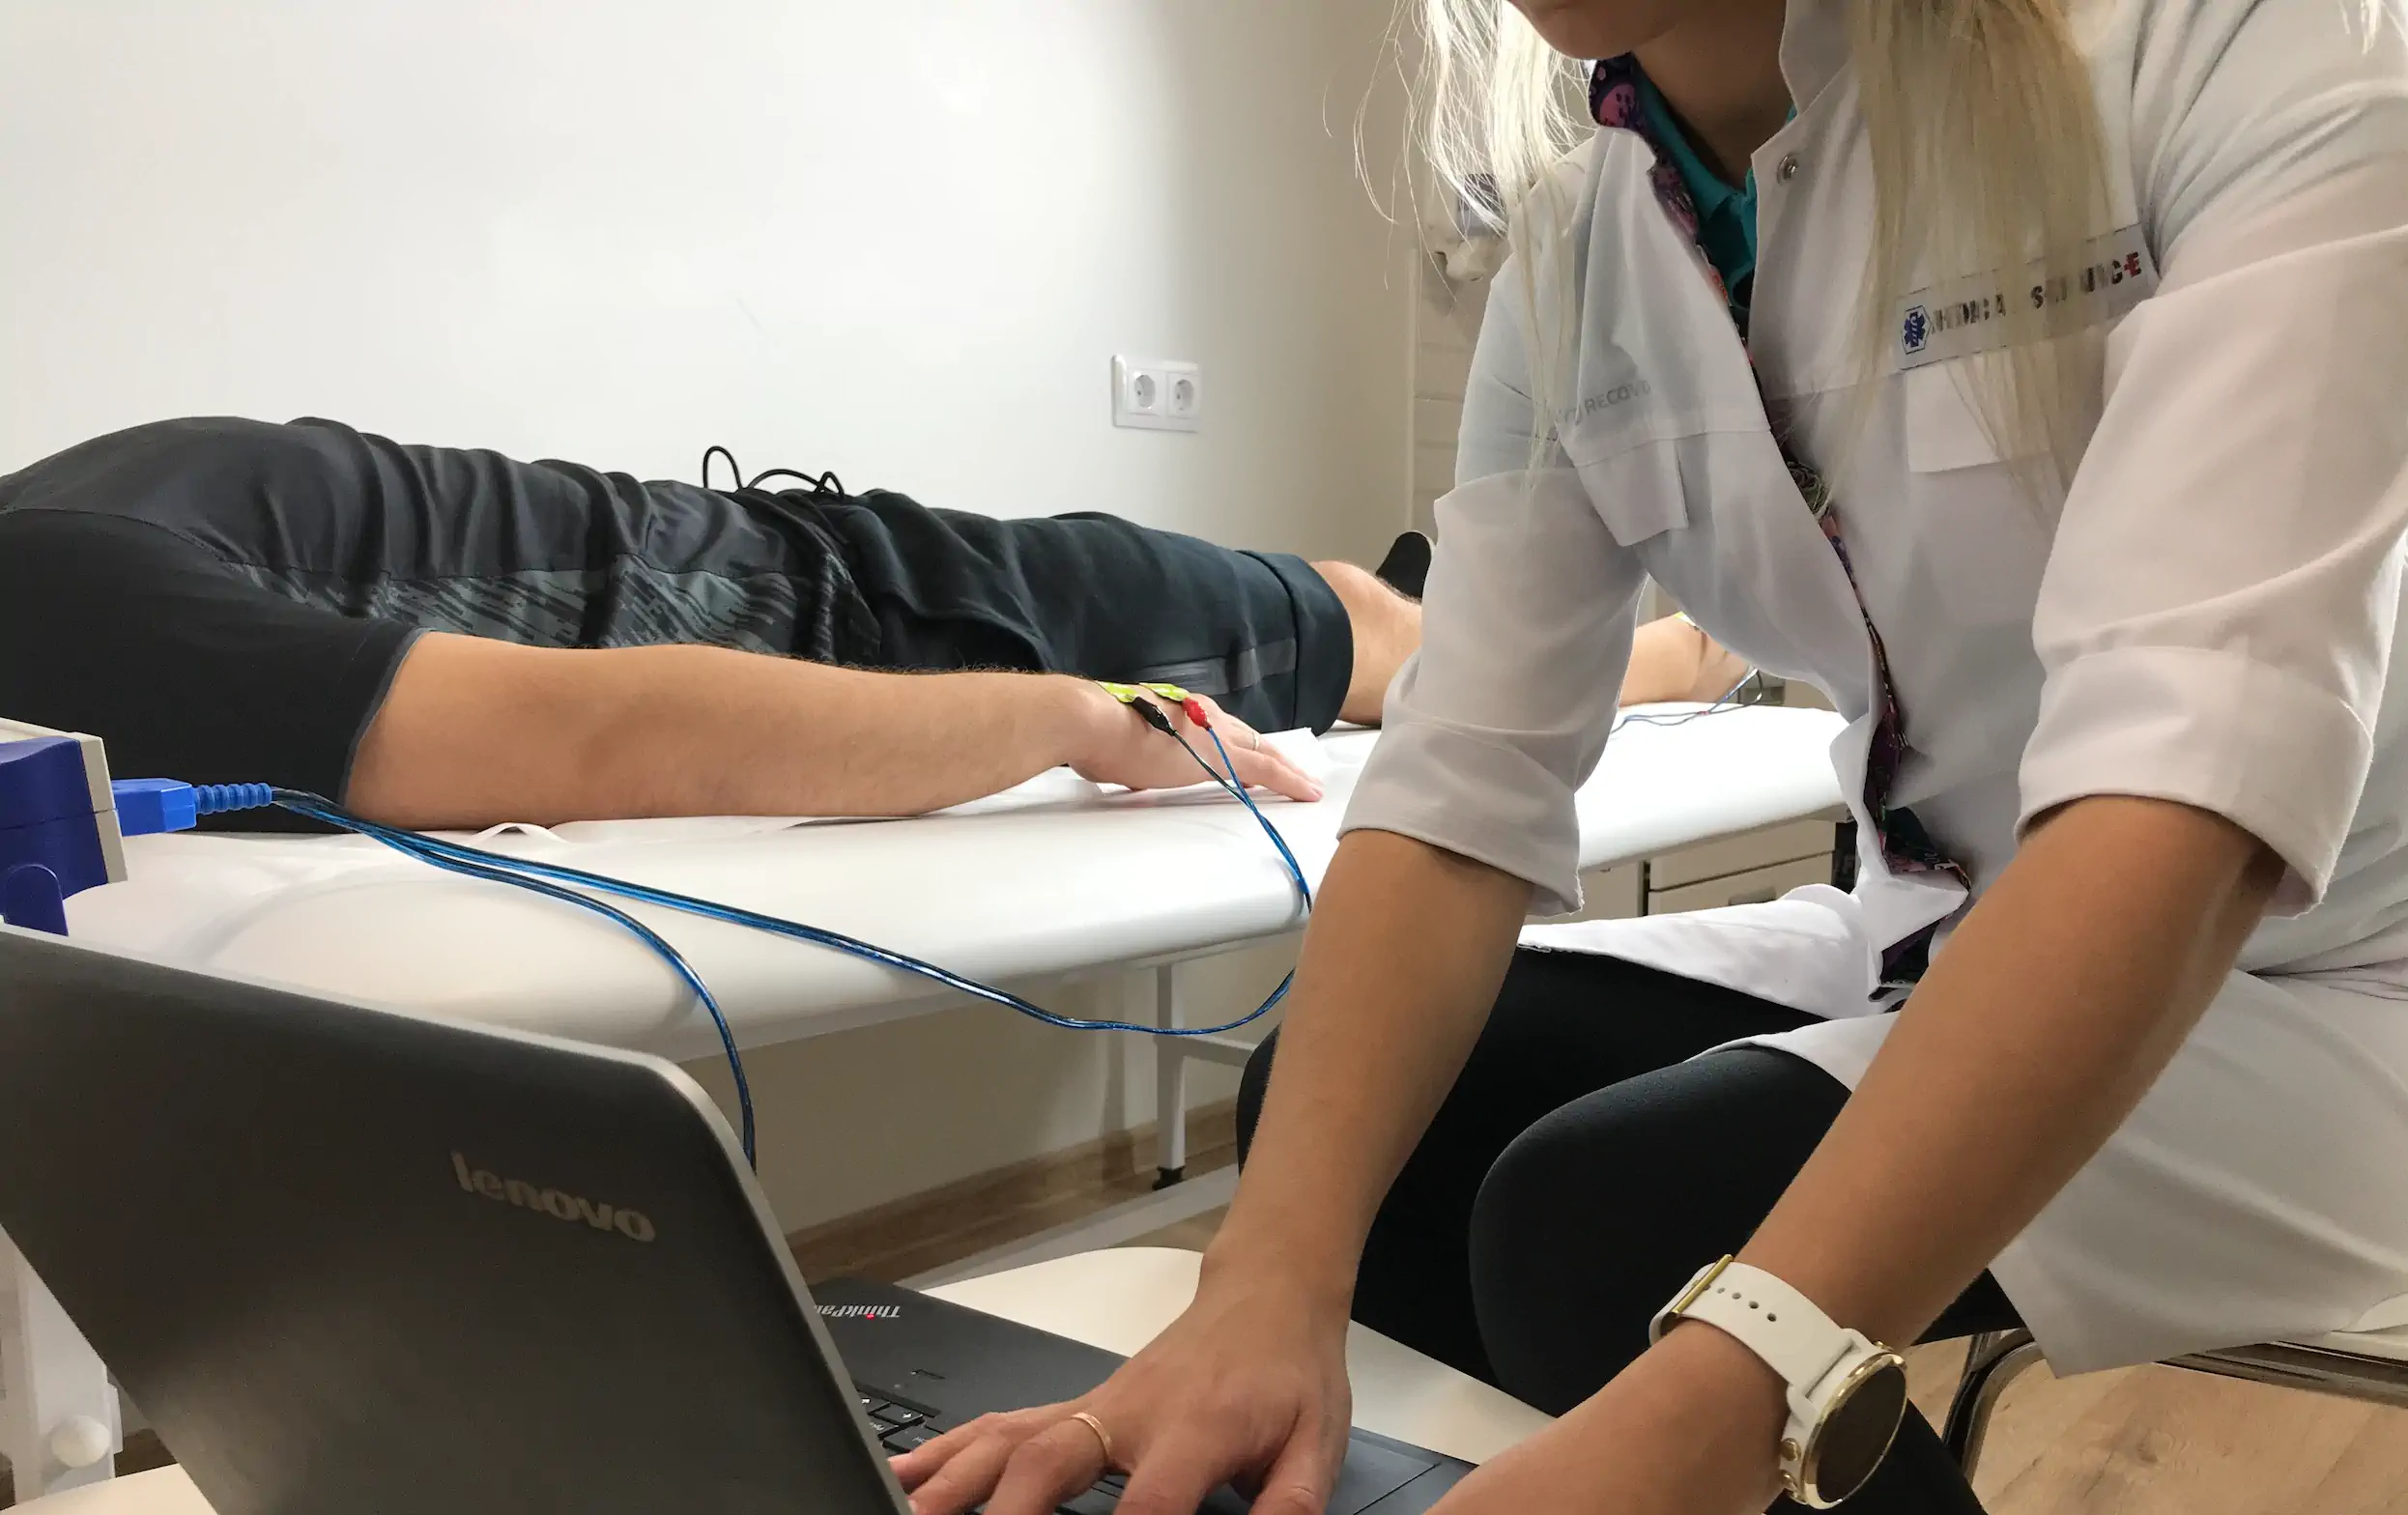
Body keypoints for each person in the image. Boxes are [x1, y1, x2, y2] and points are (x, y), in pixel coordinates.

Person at [890, 2, 2408, 1515]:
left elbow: (2187, 791)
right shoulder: (1588, 238)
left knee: (1605, 1230)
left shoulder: (2238, 41)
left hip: (2342, 970)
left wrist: (1698, 1437)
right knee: (1365, 1125)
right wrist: (1261, 1283)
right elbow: (1457, 791)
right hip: (1948, 924)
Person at [0, 414, 1744, 827]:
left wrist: (1069, 714)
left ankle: (1688, 654)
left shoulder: (49, 600)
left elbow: (604, 732)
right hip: (797, 569)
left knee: (1349, 628)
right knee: (1345, 610)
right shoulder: (52, 553)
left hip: (881, 601)